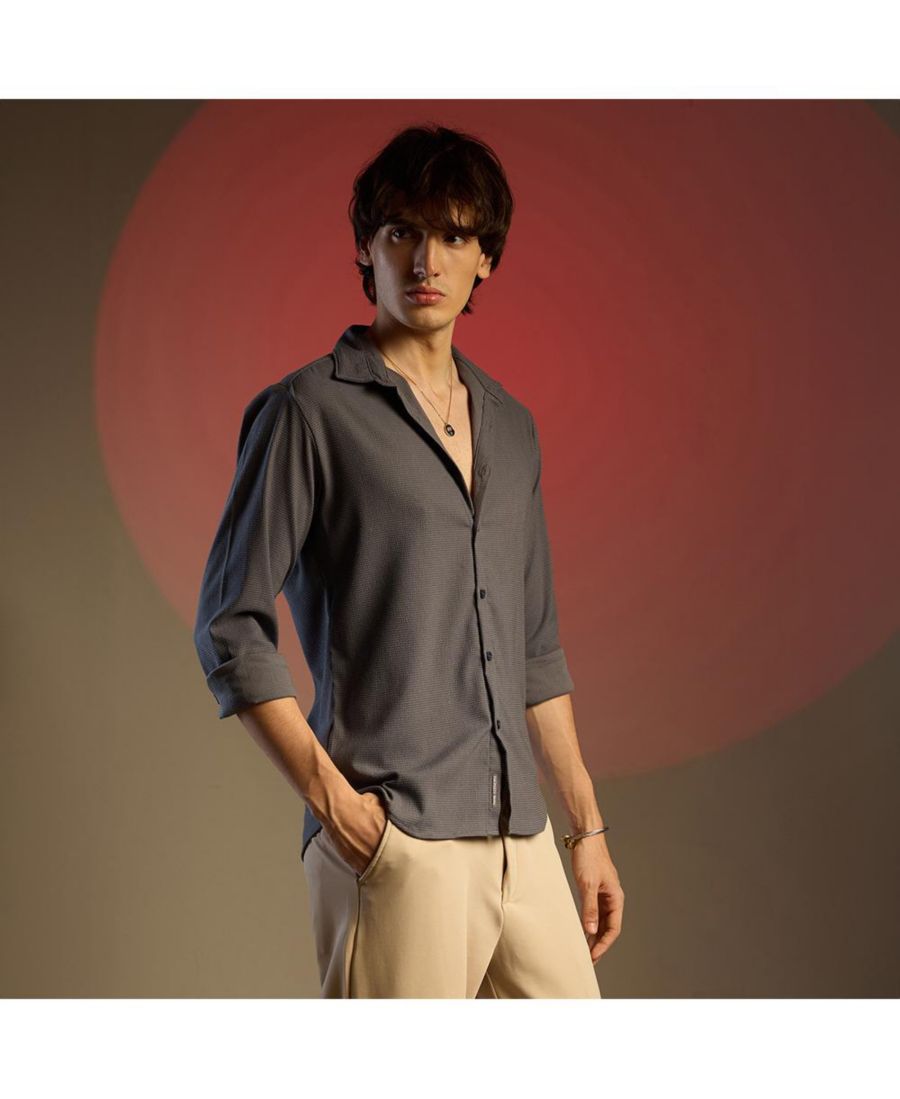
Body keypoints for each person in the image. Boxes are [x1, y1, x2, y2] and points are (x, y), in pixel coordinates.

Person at [193, 122, 624, 997]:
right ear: (368, 247)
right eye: (403, 232)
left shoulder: (511, 427)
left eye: (454, 236)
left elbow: (535, 648)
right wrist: (336, 807)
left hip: (521, 836)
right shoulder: (307, 412)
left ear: (485, 259)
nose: (426, 260)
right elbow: (228, 626)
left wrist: (586, 829)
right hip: (397, 835)